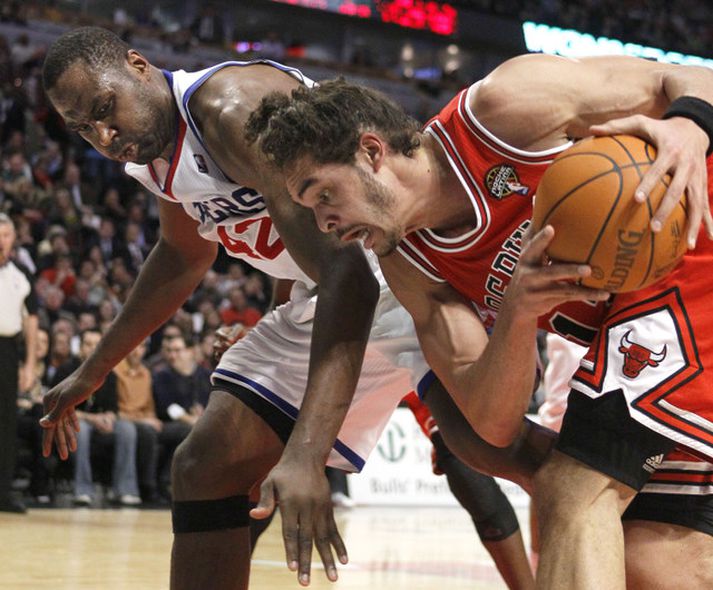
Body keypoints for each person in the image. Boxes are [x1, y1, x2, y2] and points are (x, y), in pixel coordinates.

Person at [38, 27, 548, 590]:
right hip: (336, 290)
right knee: (206, 467)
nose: (104, 136)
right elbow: (183, 256)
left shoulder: (232, 110)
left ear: (138, 65)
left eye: (106, 110)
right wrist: (92, 371)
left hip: (396, 266)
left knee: (491, 449)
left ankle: (621, 496)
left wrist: (307, 452)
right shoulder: (155, 153)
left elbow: (346, 275)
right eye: (83, 127)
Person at [249, 56, 713, 589]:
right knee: (655, 562)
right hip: (649, 320)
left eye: (323, 194)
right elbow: (493, 422)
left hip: (694, 254)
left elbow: (687, 80)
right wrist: (516, 311)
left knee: (573, 490)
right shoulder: (412, 266)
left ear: (371, 152)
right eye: (310, 211)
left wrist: (689, 126)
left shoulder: (502, 112)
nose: (324, 224)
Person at [53, 328, 141, 507]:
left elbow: (112, 408)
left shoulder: (109, 373)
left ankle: (125, 490)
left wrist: (108, 418)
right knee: (81, 428)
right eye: (88, 344)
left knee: (127, 429)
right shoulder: (66, 370)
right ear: (80, 348)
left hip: (98, 421)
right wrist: (93, 419)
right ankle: (83, 490)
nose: (93, 348)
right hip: (72, 420)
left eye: (97, 344)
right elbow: (60, 408)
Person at [0, 212, 38, 513]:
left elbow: (32, 322)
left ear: (13, 239)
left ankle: (3, 492)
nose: (1, 240)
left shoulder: (22, 275)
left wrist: (29, 364)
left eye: (6, 234)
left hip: (8, 351)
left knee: (6, 423)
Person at [113, 339, 162, 503]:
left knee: (151, 433)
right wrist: (144, 420)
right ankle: (125, 489)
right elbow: (115, 409)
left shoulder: (146, 373)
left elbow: (149, 408)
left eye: (141, 347)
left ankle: (148, 488)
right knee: (129, 430)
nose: (136, 351)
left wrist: (151, 419)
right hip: (119, 419)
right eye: (133, 346)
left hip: (140, 421)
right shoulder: (116, 370)